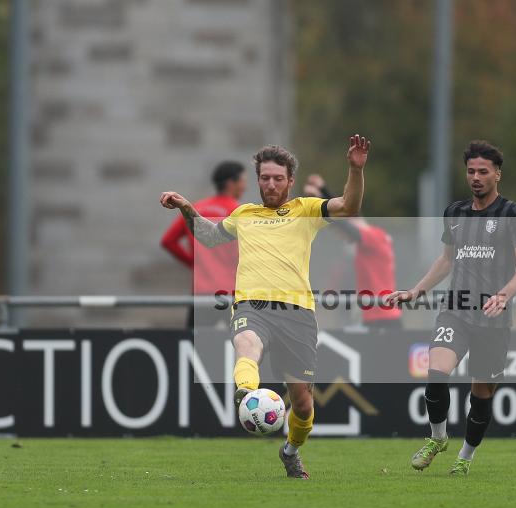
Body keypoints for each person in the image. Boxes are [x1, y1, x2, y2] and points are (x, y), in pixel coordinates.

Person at [159, 135, 371, 479]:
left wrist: (355, 169)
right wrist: (187, 208)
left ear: (289, 180)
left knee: (302, 405)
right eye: (264, 178)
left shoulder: (306, 209)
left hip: (297, 314)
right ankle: (246, 393)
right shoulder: (243, 214)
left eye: (277, 178)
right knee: (247, 345)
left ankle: (290, 451)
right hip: (251, 305)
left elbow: (349, 206)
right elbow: (210, 237)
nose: (270, 184)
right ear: (257, 180)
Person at [386, 140, 516, 475]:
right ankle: (437, 438)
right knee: (436, 373)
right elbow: (446, 261)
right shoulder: (455, 213)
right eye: (471, 171)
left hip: (493, 318)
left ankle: (464, 458)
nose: (476, 177)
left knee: (481, 397)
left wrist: (504, 294)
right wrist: (416, 291)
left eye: (484, 171)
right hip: (456, 309)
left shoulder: (512, 214)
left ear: (497, 174)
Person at [305, 174, 402, 331]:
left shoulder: (371, 236)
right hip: (379, 316)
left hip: (381, 318)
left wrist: (318, 204)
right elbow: (346, 214)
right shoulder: (375, 235)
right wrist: (323, 189)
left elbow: (345, 223)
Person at [160, 161, 246, 328]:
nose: (245, 186)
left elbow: (168, 241)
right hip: (231, 291)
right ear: (231, 183)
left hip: (200, 292)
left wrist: (194, 263)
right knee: (241, 346)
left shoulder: (195, 209)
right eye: (243, 181)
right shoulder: (238, 212)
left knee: (192, 346)